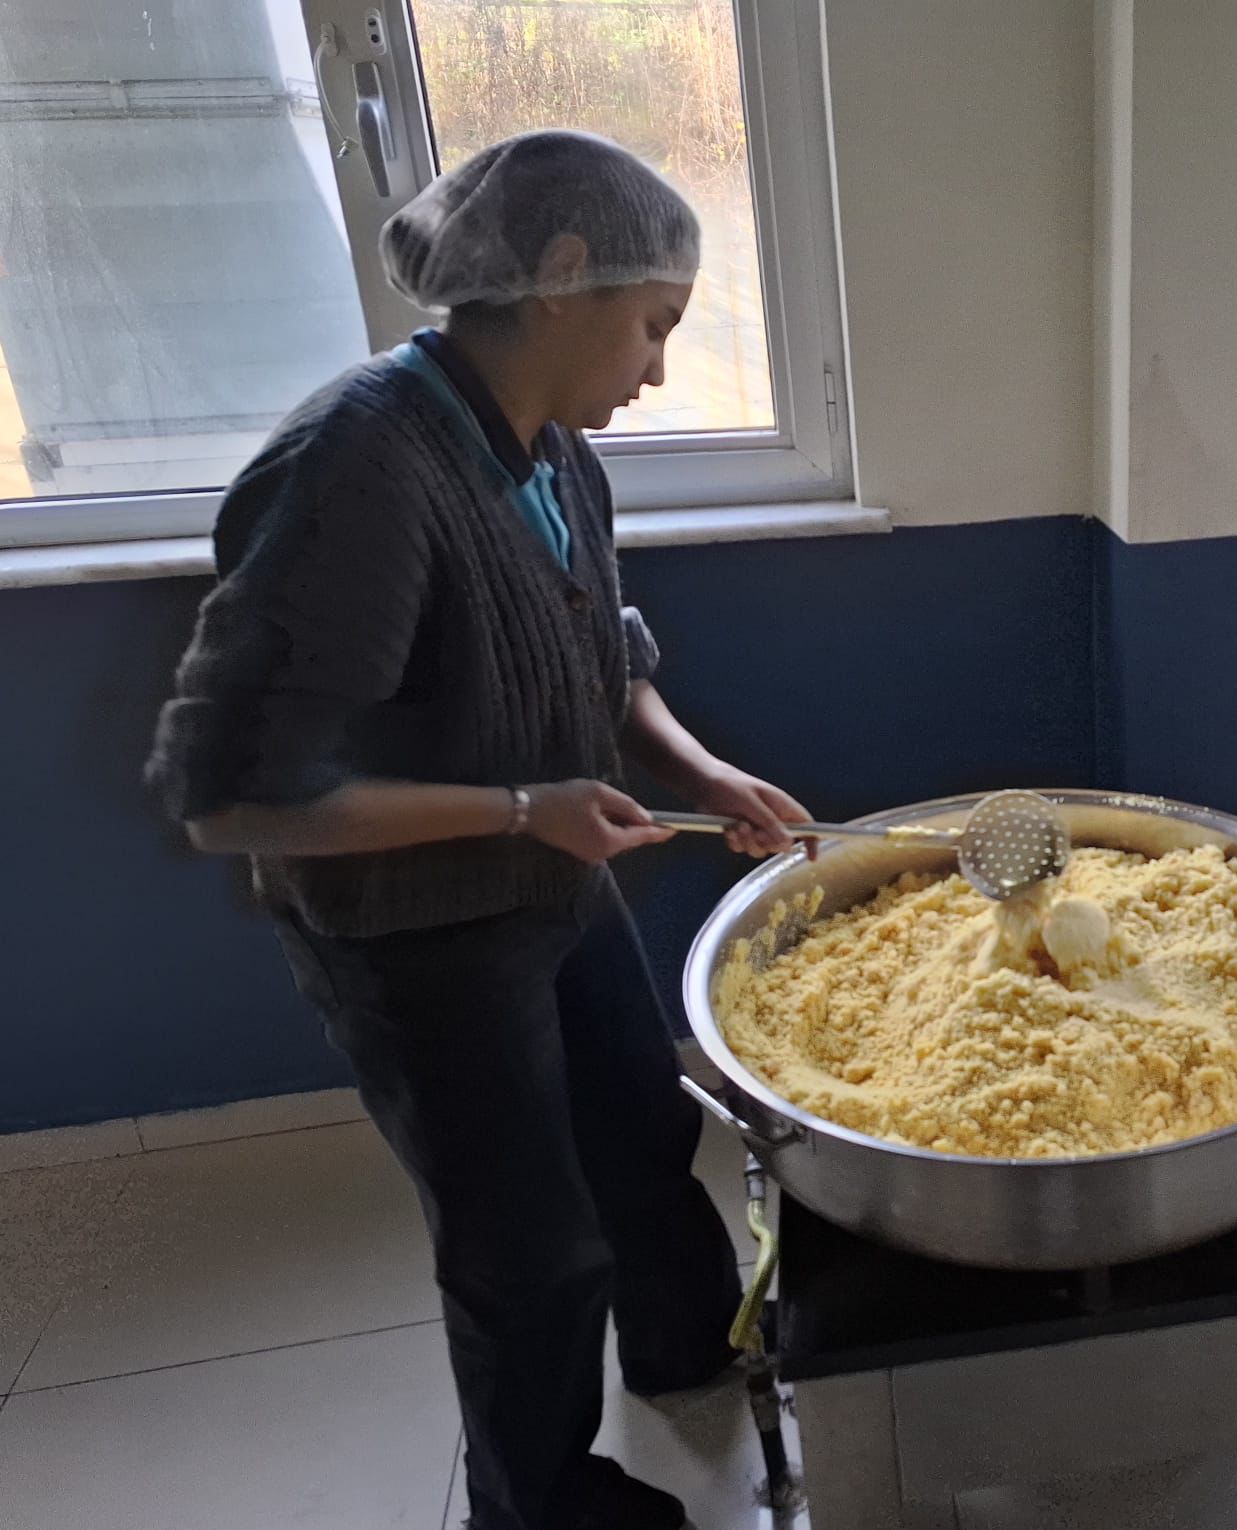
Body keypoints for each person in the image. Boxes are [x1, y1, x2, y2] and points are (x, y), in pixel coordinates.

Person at [146, 131, 811, 1530]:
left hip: (554, 884)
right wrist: (519, 808)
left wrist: (704, 771)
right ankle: (537, 1503)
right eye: (654, 325)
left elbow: (602, 651)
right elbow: (230, 794)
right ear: (563, 276)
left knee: (640, 1132)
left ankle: (693, 1348)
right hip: (417, 935)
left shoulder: (554, 449)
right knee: (527, 1247)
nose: (658, 368)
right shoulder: (358, 468)